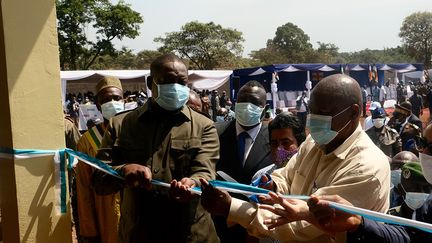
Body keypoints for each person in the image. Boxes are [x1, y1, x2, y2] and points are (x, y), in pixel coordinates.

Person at [200, 74, 390, 243]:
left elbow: (298, 227)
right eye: (311, 111)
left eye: (322, 113)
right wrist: (273, 186)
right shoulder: (315, 142)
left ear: (354, 113)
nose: (313, 119)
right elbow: (287, 174)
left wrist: (231, 207)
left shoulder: (366, 167)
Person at [93, 54, 220, 242]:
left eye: (181, 82)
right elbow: (99, 181)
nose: (176, 87)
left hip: (191, 234)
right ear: (151, 82)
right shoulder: (120, 125)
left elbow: (205, 172)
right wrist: (123, 171)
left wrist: (193, 183)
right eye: (168, 81)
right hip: (139, 233)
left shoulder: (204, 126)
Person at [274, 123, 432, 243]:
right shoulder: (429, 205)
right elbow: (411, 237)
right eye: (421, 143)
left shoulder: (367, 166)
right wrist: (358, 223)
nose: (423, 153)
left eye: (429, 148)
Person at [213, 80, 273, 242]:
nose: (247, 106)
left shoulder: (276, 137)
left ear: (265, 108)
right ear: (235, 104)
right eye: (243, 101)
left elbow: (284, 168)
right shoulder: (214, 132)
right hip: (219, 224)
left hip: (259, 225)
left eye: (254, 102)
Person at [75, 76, 125, 243]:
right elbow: (83, 187)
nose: (112, 103)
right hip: (105, 216)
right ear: (98, 104)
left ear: (124, 100)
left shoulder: (137, 133)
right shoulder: (87, 141)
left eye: (117, 98)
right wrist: (89, 230)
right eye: (106, 99)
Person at [251, 111, 306, 182]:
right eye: (274, 143)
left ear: (300, 143)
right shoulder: (261, 178)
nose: (279, 149)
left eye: (285, 143)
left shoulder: (309, 176)